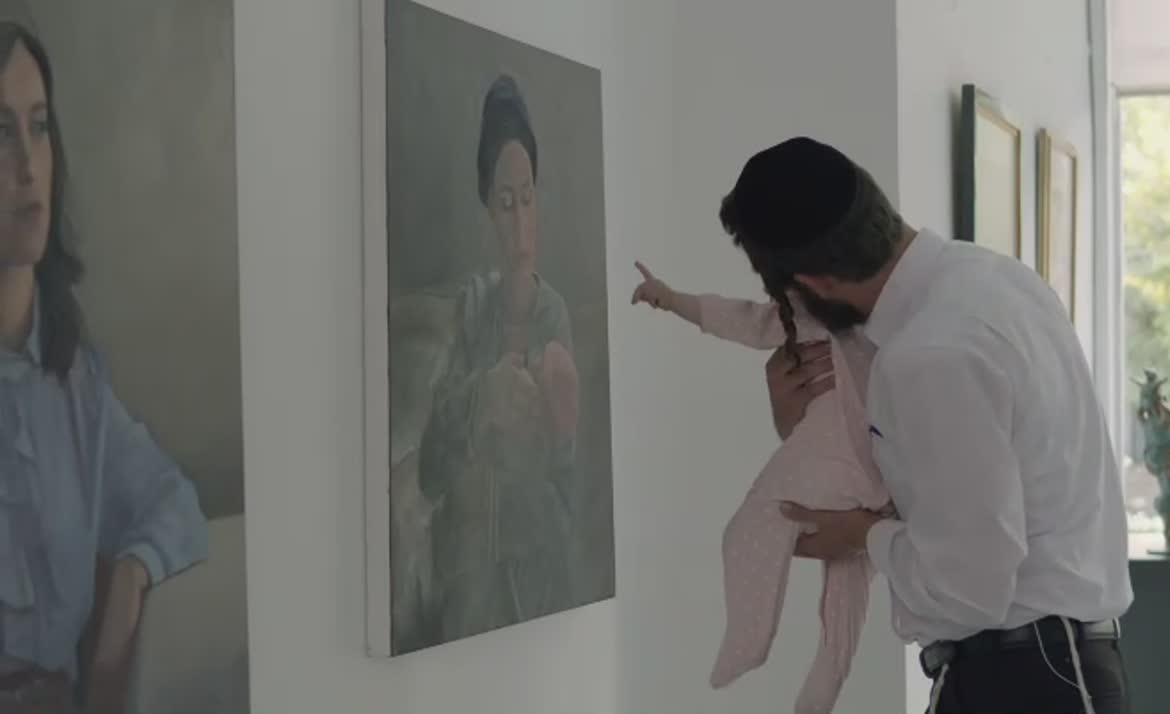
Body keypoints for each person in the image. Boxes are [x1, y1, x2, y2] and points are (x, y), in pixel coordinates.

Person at [720, 137, 1132, 714]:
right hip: (1040, 667)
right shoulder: (996, 279)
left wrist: (863, 536)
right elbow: (950, 498)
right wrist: (801, 423)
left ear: (815, 283)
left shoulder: (929, 357)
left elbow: (970, 588)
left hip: (1024, 678)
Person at [0, 21, 209, 714]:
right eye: (0, 132)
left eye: (38, 128)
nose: (28, 165)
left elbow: (171, 501)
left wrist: (129, 580)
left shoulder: (75, 383)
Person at [630, 262, 891, 714]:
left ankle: (748, 639)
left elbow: (741, 319)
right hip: (875, 466)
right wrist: (673, 300)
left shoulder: (844, 317)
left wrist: (672, 300)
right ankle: (825, 678)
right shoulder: (846, 315)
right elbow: (739, 317)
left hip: (838, 450)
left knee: (749, 529)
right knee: (848, 576)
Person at [417, 74, 581, 648]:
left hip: (537, 582)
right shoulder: (470, 311)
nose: (520, 225)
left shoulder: (554, 316)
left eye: (528, 199)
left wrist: (557, 421)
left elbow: (568, 480)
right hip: (468, 576)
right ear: (488, 206)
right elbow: (430, 470)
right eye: (506, 203)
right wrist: (483, 395)